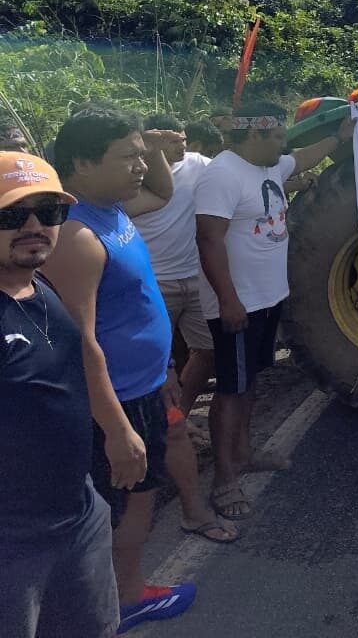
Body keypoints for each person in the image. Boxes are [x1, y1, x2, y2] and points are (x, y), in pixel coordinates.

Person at [40, 107, 198, 631]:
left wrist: (164, 368)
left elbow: (163, 192)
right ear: (83, 164)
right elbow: (79, 343)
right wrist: (116, 429)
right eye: (127, 157)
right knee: (129, 505)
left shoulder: (112, 208)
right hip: (118, 402)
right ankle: (124, 598)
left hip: (143, 387)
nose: (141, 166)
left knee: (135, 500)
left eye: (140, 156)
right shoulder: (77, 236)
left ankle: (110, 595)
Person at [195, 100, 353, 521]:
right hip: (238, 303)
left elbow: (301, 158)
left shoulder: (267, 167)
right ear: (253, 134)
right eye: (278, 136)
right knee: (231, 390)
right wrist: (228, 300)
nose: (284, 145)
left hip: (267, 298)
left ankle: (244, 453)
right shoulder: (223, 175)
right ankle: (224, 480)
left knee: (249, 383)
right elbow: (209, 240)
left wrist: (338, 137)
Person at [0, 153, 119, 638]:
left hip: (78, 515)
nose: (34, 226)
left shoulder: (38, 284)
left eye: (49, 211)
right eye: (12, 215)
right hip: (14, 546)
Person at [130, 114, 236, 544]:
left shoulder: (200, 166)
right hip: (154, 284)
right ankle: (164, 433)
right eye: (169, 140)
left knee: (207, 352)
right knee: (160, 369)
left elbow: (236, 181)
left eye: (182, 139)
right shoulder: (134, 179)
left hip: (196, 278)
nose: (180, 146)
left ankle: (180, 417)